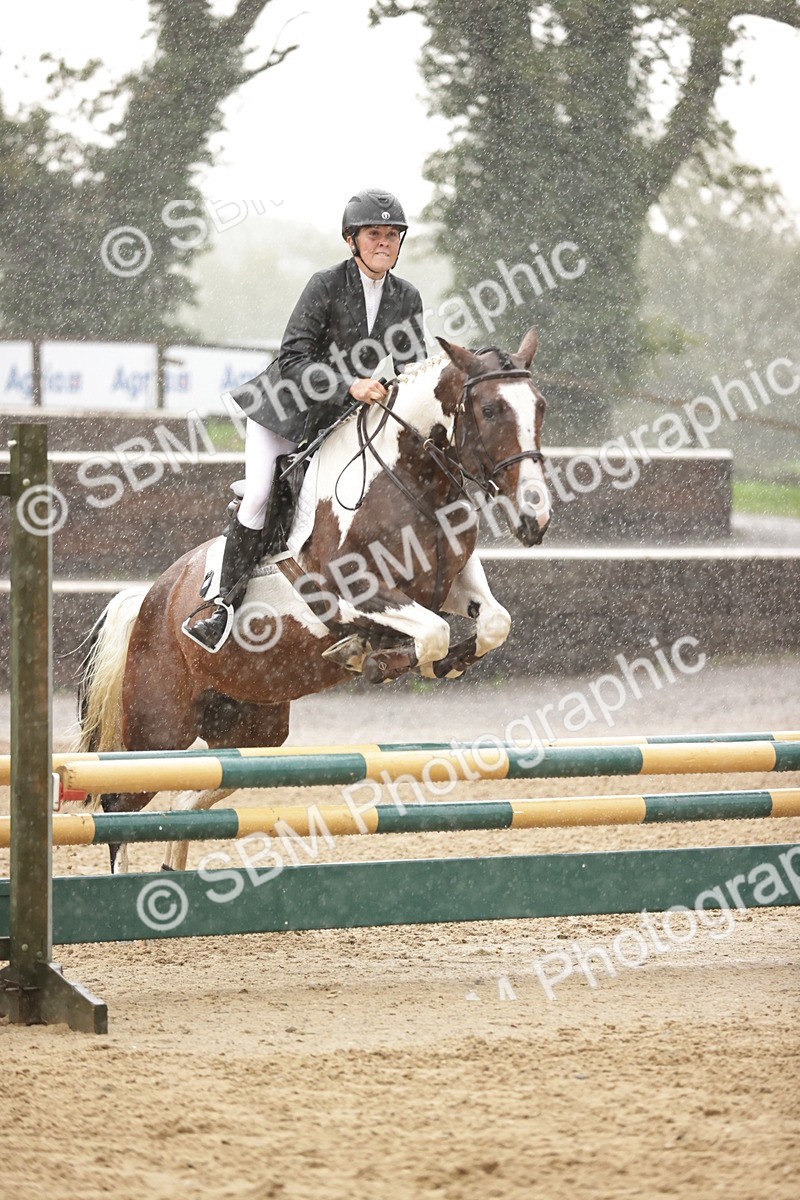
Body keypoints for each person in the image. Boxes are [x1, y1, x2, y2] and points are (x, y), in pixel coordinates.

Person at [186, 188, 426, 652]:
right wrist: (350, 384)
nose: (385, 243)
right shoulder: (325, 284)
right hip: (284, 413)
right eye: (374, 234)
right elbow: (294, 357)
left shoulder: (405, 297)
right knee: (258, 495)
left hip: (335, 423)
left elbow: (410, 370)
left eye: (393, 235)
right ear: (351, 240)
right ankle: (220, 606)